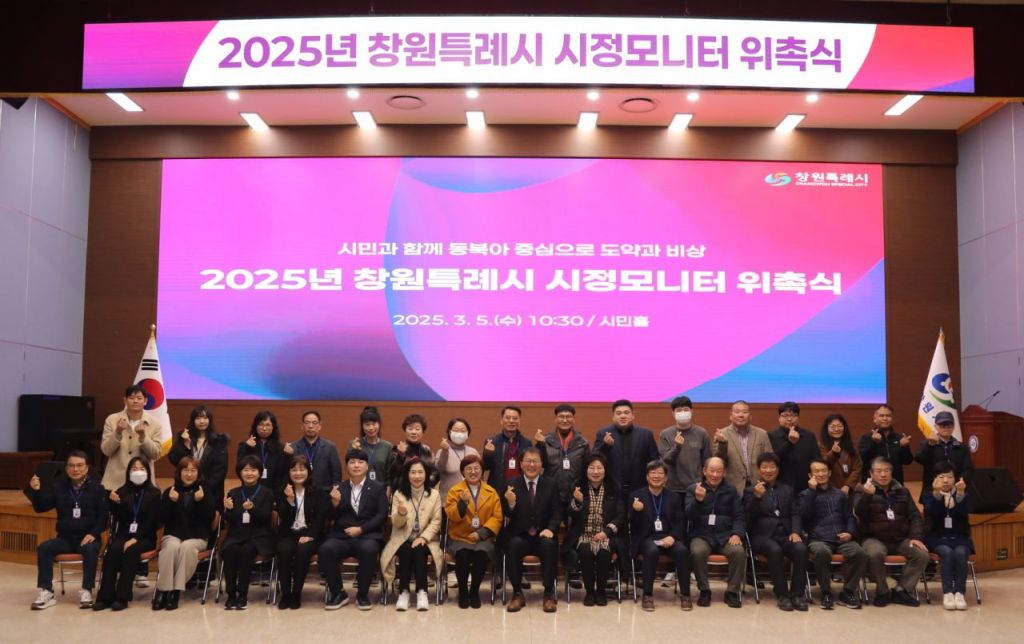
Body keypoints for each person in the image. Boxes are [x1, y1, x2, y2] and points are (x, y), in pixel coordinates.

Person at [26, 450, 108, 610]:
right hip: (65, 539)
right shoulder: (58, 488)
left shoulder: (98, 489)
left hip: (88, 538)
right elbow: (40, 507)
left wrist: (93, 533)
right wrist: (36, 491)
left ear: (87, 468)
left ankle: (86, 591)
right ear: (66, 468)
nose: (75, 469)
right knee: (44, 548)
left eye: (79, 465)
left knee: (90, 549)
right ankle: (46, 591)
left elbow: (104, 518)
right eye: (71, 465)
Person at [853, 457, 929, 607]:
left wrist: (916, 537)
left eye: (886, 470)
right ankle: (882, 591)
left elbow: (915, 516)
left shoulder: (903, 491)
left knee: (922, 555)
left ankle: (901, 590)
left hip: (900, 538)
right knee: (875, 554)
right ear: (871, 473)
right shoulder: (862, 490)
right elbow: (859, 514)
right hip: (873, 538)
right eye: (879, 471)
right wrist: (867, 496)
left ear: (891, 472)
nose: (883, 474)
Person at [319, 448, 388, 610]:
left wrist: (361, 529)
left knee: (369, 550)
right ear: (346, 467)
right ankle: (338, 593)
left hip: (367, 535)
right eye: (352, 462)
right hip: (342, 536)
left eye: (360, 462)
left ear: (367, 466)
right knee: (325, 550)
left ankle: (362, 595)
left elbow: (382, 515)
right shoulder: (338, 488)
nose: (356, 465)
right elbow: (328, 516)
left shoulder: (378, 487)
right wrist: (334, 504)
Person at [94, 456, 161, 611]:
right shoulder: (121, 492)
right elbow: (120, 519)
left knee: (131, 551)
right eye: (134, 469)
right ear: (128, 472)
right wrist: (115, 503)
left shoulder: (154, 493)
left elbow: (152, 522)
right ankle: (105, 596)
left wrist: (135, 538)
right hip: (124, 535)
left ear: (148, 472)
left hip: (145, 537)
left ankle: (122, 597)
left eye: (142, 469)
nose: (138, 472)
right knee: (112, 552)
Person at [743, 452, 807, 611]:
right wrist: (757, 498)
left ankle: (797, 595)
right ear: (759, 470)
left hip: (786, 534)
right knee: (774, 550)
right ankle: (782, 594)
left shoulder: (788, 490)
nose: (768, 470)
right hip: (763, 537)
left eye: (772, 467)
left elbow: (795, 514)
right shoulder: (751, 490)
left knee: (801, 549)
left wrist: (796, 532)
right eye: (764, 467)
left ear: (777, 470)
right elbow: (747, 516)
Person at [501, 447, 562, 613]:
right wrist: (510, 503)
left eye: (535, 461)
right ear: (521, 464)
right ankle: (517, 593)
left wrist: (551, 529)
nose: (532, 465)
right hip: (520, 535)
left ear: (541, 464)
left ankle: (548, 594)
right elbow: (506, 513)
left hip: (543, 534)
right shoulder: (511, 484)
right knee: (512, 545)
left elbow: (557, 511)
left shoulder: (551, 484)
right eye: (528, 461)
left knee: (549, 546)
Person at [800, 459, 866, 610]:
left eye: (824, 470)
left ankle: (848, 591)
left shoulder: (840, 494)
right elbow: (804, 516)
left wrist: (850, 533)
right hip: (818, 538)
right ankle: (826, 592)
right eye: (816, 471)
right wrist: (812, 491)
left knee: (860, 553)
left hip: (841, 537)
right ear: (810, 475)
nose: (821, 474)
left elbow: (849, 517)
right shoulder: (804, 494)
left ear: (829, 473)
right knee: (822, 552)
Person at [153, 456, 215, 610]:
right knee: (171, 547)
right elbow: (161, 519)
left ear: (198, 473)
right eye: (185, 470)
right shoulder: (171, 491)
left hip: (197, 537)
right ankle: (163, 590)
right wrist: (171, 502)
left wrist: (198, 501)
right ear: (179, 472)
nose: (189, 474)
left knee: (187, 548)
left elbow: (208, 519)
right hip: (173, 535)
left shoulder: (204, 492)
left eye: (193, 470)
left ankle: (174, 591)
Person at [380, 458, 443, 611]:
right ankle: (404, 592)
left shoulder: (434, 494)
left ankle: (422, 592)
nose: (417, 476)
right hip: (402, 537)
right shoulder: (399, 494)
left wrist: (423, 537)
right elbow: (396, 524)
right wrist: (401, 514)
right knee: (406, 550)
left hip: (427, 538)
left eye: (420, 472)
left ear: (426, 474)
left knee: (420, 549)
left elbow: (436, 521)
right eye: (413, 472)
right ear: (407, 475)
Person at [686, 456, 746, 608]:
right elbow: (688, 515)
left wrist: (737, 534)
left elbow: (739, 516)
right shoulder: (693, 489)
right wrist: (698, 500)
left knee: (738, 552)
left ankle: (732, 592)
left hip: (725, 535)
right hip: (701, 534)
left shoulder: (731, 490)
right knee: (697, 552)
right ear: (704, 471)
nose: (715, 474)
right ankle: (704, 590)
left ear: (724, 472)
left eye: (719, 471)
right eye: (712, 470)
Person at [631, 460, 691, 611]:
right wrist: (637, 511)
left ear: (666, 478)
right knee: (651, 551)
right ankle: (647, 595)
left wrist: (673, 536)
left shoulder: (673, 497)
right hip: (646, 538)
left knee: (682, 551)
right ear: (647, 477)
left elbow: (680, 521)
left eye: (660, 473)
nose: (656, 476)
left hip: (668, 537)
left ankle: (685, 594)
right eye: (653, 473)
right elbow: (632, 525)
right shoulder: (637, 496)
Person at [445, 454, 503, 609]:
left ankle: (474, 591)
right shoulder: (455, 491)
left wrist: (481, 533)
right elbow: (451, 515)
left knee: (481, 555)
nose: (473, 472)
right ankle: (463, 592)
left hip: (483, 538)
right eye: (468, 469)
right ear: (463, 472)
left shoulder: (491, 492)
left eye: (476, 468)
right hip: (460, 536)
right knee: (462, 555)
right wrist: (462, 504)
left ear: (482, 471)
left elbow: (497, 517)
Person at [566, 453, 623, 606]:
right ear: (586, 470)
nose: (595, 472)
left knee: (604, 551)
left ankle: (601, 591)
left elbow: (620, 516)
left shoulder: (614, 487)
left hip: (607, 534)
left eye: (599, 468)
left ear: (605, 470)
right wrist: (577, 502)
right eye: (592, 468)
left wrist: (606, 532)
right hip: (583, 534)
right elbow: (569, 513)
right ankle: (590, 592)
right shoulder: (577, 487)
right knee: (586, 551)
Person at [220, 455, 275, 610]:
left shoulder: (267, 493)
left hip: (259, 537)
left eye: (253, 470)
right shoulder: (233, 492)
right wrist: (228, 510)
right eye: (246, 470)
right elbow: (230, 521)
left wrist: (253, 509)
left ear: (259, 473)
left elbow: (266, 518)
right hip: (236, 535)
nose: (249, 473)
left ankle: (242, 594)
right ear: (240, 472)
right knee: (229, 551)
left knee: (246, 551)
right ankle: (231, 594)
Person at [275, 455, 327, 609]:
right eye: (294, 470)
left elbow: (320, 518)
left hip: (309, 533)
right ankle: (285, 593)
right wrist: (290, 501)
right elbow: (282, 516)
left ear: (308, 472)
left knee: (303, 551)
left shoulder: (318, 491)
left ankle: (296, 592)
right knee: (283, 551)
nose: (298, 473)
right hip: (289, 533)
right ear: (289, 472)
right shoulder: (282, 490)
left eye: (302, 469)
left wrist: (310, 535)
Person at [922, 462, 973, 610]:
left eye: (950, 477)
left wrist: (960, 495)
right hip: (937, 537)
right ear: (934, 479)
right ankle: (948, 593)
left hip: (959, 537)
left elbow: (963, 514)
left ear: (955, 479)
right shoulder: (928, 495)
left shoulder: (962, 494)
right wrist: (937, 494)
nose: (945, 480)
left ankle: (960, 592)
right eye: (941, 477)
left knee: (961, 552)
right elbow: (934, 512)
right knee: (946, 552)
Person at [593, 400, 659, 501]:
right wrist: (605, 446)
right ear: (613, 416)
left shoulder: (646, 434)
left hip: (640, 489)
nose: (623, 416)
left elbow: (654, 461)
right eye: (618, 413)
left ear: (633, 415)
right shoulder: (603, 433)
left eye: (626, 413)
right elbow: (594, 459)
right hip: (612, 490)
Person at [100, 385, 163, 491]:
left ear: (145, 401)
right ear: (125, 400)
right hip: (115, 482)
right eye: (131, 398)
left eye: (139, 398)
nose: (135, 401)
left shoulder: (155, 424)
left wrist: (143, 436)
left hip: (143, 482)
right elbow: (106, 451)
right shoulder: (112, 420)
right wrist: (118, 432)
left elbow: (155, 454)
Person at [168, 404, 229, 510]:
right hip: (186, 490)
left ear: (210, 420)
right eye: (198, 418)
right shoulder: (185, 438)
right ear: (193, 420)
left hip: (211, 491)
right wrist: (186, 446)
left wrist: (203, 490)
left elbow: (220, 471)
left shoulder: (218, 441)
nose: (201, 421)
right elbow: (175, 460)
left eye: (205, 418)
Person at [712, 401, 772, 494]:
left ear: (750, 416)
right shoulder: (722, 434)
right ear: (731, 416)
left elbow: (770, 460)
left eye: (744, 412)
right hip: (732, 488)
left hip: (758, 486)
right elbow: (718, 462)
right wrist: (723, 444)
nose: (741, 415)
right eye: (737, 412)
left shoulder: (762, 434)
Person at [915, 411, 973, 502]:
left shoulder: (962, 447)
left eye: (949, 425)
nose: (946, 428)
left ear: (953, 427)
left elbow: (967, 469)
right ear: (935, 426)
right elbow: (919, 459)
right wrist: (930, 445)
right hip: (932, 488)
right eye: (942, 425)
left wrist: (954, 482)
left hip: (955, 490)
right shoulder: (926, 444)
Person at [767, 402, 819, 495]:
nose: (789, 419)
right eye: (785, 415)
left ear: (798, 417)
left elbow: (816, 459)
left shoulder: (809, 435)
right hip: (780, 486)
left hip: (806, 485)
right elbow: (772, 460)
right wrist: (790, 443)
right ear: (779, 418)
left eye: (793, 415)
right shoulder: (770, 436)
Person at [482, 405, 535, 493]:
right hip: (497, 489)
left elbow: (531, 465)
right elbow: (485, 467)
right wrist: (488, 454)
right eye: (508, 418)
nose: (511, 421)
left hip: (521, 489)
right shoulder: (491, 441)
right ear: (501, 421)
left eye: (515, 418)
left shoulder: (527, 442)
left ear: (519, 422)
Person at [856, 404, 913, 484]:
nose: (885, 418)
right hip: (872, 484)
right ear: (875, 419)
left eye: (888, 416)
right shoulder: (866, 437)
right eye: (881, 416)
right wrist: (874, 443)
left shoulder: (900, 438)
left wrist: (904, 447)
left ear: (892, 419)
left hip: (895, 483)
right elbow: (862, 458)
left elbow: (908, 461)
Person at [289, 410, 343, 492]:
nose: (310, 426)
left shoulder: (330, 447)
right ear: (302, 426)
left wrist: (333, 492)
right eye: (307, 423)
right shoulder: (293, 448)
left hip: (324, 494)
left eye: (314, 423)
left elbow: (337, 476)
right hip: (300, 493)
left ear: (319, 426)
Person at [237, 410, 289, 492]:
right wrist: (246, 448)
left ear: (273, 427)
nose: (264, 428)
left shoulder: (280, 448)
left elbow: (283, 473)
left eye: (268, 425)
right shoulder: (245, 446)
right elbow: (240, 468)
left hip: (274, 491)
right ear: (255, 426)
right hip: (251, 490)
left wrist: (289, 455)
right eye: (261, 424)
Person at [434, 417, 480, 500]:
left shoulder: (473, 451)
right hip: (448, 500)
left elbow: (480, 474)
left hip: (471, 501)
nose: (459, 433)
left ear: (467, 433)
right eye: (456, 430)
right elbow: (440, 468)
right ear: (449, 432)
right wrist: (445, 452)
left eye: (462, 430)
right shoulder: (442, 452)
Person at [386, 414, 434, 492]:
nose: (413, 432)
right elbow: (392, 473)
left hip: (423, 493)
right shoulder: (397, 449)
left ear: (423, 431)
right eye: (410, 429)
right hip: (401, 493)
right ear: (405, 431)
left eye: (417, 429)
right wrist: (400, 456)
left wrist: (427, 486)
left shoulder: (427, 450)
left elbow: (433, 473)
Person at [818, 414, 861, 496]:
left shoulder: (850, 446)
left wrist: (848, 485)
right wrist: (833, 453)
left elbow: (857, 468)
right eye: (833, 427)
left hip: (848, 491)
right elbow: (822, 465)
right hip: (828, 489)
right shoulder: (821, 446)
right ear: (826, 429)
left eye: (839, 426)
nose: (837, 429)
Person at [349, 405, 393, 484]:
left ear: (379, 424)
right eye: (367, 424)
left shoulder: (388, 447)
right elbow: (350, 469)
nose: (371, 428)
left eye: (374, 424)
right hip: (360, 488)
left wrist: (388, 489)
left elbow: (390, 474)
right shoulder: (354, 445)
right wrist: (354, 451)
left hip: (381, 489)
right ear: (362, 426)